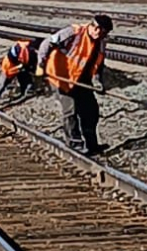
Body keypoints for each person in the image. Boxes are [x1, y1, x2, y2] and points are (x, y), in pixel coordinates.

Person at [36, 16, 113, 155]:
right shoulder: (73, 32)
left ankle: (92, 144)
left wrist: (99, 82)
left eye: (105, 34)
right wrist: (40, 65)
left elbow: (98, 65)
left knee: (91, 111)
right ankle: (74, 145)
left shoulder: (100, 42)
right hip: (60, 77)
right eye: (102, 33)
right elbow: (46, 43)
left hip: (80, 80)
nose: (102, 36)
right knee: (70, 110)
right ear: (95, 28)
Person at [0, 38, 43, 104]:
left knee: (23, 75)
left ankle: (27, 89)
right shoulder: (25, 50)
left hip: (16, 64)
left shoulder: (24, 45)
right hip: (12, 67)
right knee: (3, 82)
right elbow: (27, 61)